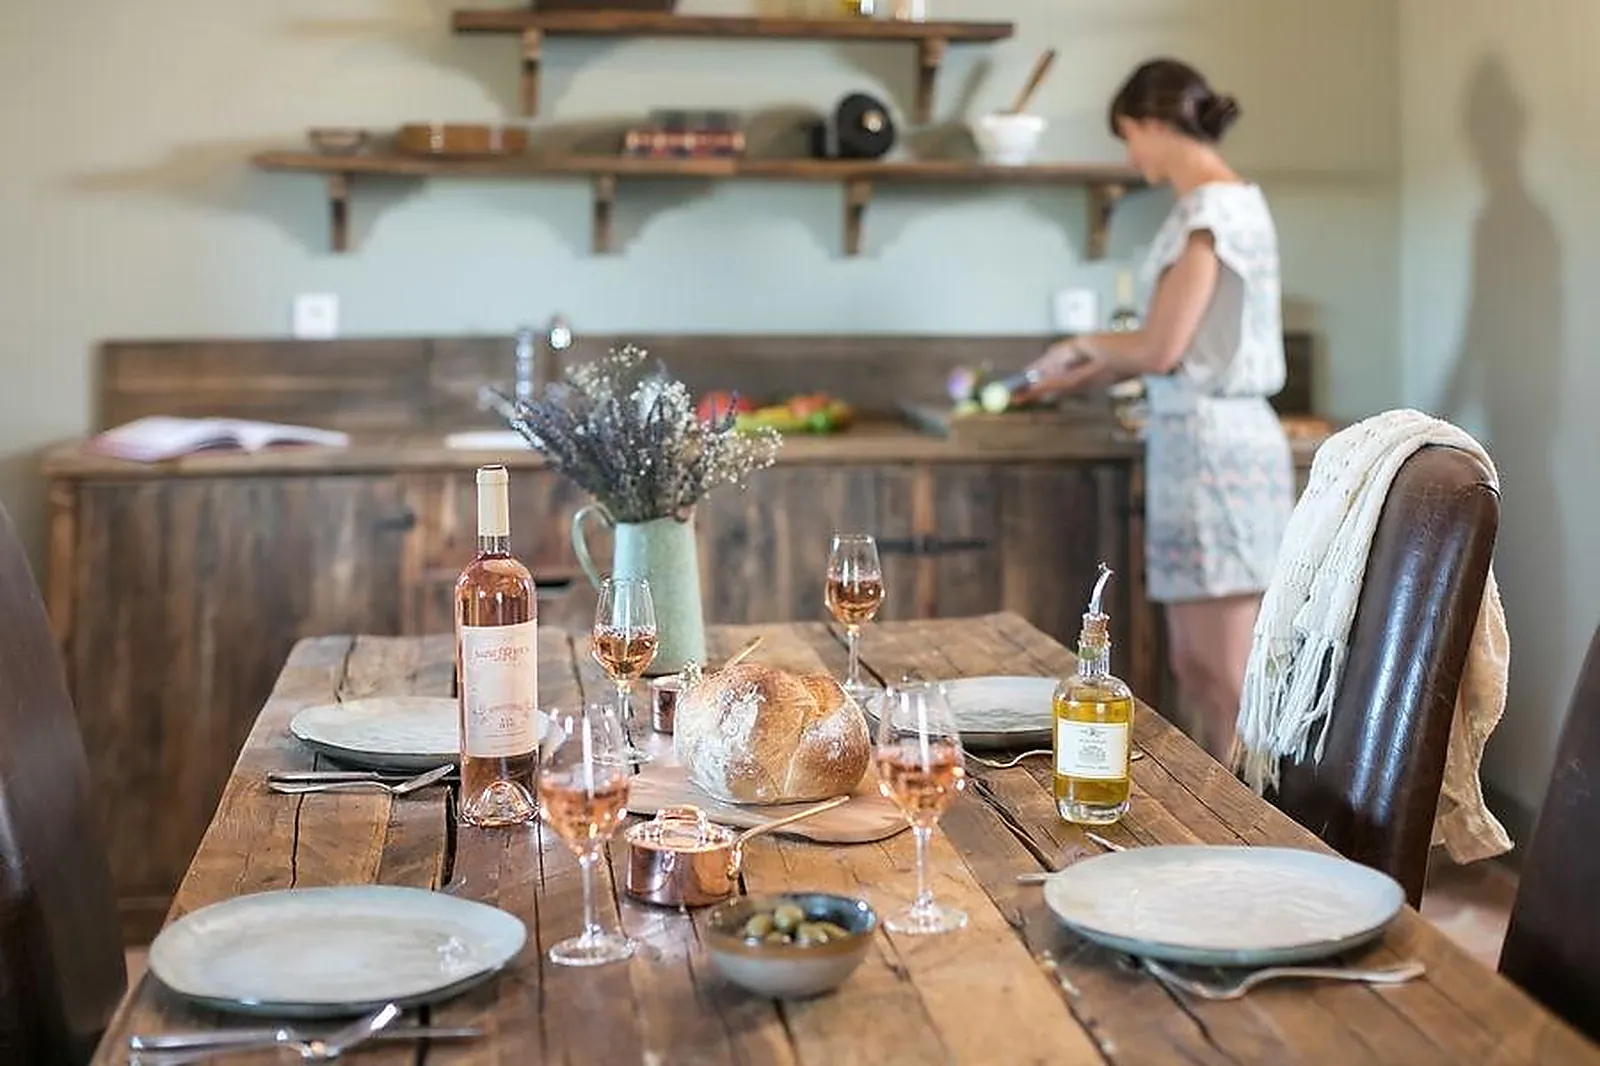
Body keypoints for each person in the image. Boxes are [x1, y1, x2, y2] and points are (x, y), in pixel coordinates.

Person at [1017, 58, 1293, 760]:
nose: (1130, 156)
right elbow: (1169, 349)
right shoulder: (1217, 206)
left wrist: (1080, 343)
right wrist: (1076, 379)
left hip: (1217, 454)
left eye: (1128, 136)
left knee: (1226, 674)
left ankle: (1249, 822)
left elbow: (1162, 346)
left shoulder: (1212, 213)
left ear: (1154, 123)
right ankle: (1227, 814)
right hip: (1198, 446)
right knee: (1195, 666)